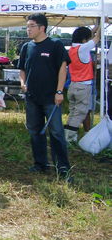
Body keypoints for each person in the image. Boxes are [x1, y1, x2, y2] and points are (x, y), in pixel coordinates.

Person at [18, 13, 71, 180]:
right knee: (35, 131)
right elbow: (22, 70)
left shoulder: (55, 45)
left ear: (42, 27)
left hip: (51, 98)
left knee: (56, 132)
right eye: (27, 26)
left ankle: (62, 167)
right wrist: (22, 83)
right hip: (32, 98)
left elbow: (63, 69)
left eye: (31, 26)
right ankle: (40, 163)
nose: (28, 29)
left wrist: (59, 91)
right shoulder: (27, 47)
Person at [64, 25, 100, 143]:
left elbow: (90, 35)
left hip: (73, 85)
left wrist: (98, 25)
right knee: (80, 113)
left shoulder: (72, 50)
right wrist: (101, 27)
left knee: (73, 112)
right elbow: (96, 38)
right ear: (84, 40)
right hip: (83, 86)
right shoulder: (83, 49)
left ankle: (69, 136)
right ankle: (68, 138)